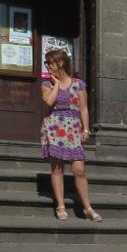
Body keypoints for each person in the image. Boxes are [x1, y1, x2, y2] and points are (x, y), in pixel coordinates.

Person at [40, 50, 102, 221]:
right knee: (57, 168)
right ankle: (60, 205)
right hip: (54, 127)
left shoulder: (79, 85)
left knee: (79, 169)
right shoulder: (47, 84)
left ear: (60, 62)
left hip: (73, 128)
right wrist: (57, 84)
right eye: (47, 63)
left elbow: (83, 108)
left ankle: (87, 208)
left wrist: (86, 129)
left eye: (50, 63)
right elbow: (49, 102)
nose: (48, 66)